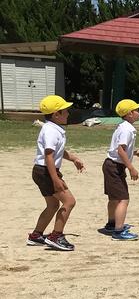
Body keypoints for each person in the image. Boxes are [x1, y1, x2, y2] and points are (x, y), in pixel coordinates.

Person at [28, 95, 85, 251]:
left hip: (42, 171)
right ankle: (56, 236)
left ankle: (36, 235)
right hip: (46, 172)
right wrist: (55, 179)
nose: (68, 113)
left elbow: (58, 151)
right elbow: (49, 155)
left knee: (53, 205)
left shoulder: (53, 129)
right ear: (56, 115)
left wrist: (73, 158)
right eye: (65, 111)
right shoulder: (51, 131)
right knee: (69, 201)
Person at [100, 99, 139, 241]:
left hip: (110, 165)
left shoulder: (123, 126)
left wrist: (133, 152)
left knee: (114, 198)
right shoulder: (127, 129)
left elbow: (119, 148)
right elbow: (120, 150)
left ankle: (112, 224)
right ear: (130, 114)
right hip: (115, 167)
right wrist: (131, 168)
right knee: (123, 199)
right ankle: (118, 232)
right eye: (136, 110)